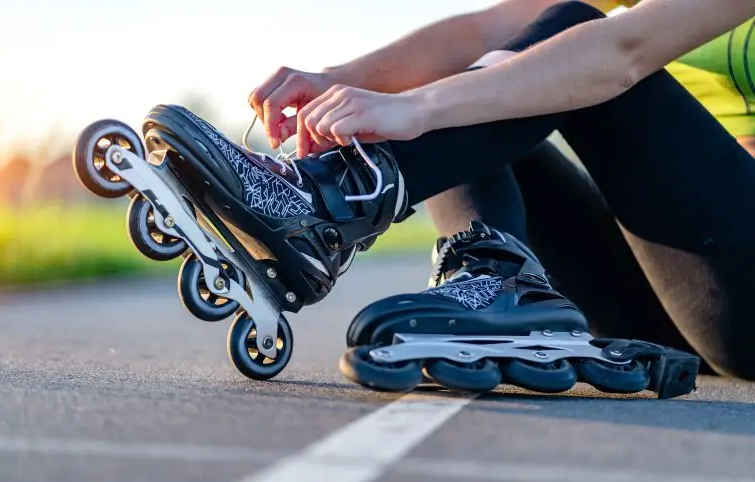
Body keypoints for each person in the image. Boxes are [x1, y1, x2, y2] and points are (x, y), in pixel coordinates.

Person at [243, 0, 755, 384]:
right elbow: (488, 30)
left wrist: (417, 108)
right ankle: (495, 284)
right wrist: (335, 79)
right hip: (679, 293)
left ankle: (325, 205)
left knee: (574, 41)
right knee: (490, 70)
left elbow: (624, 51)